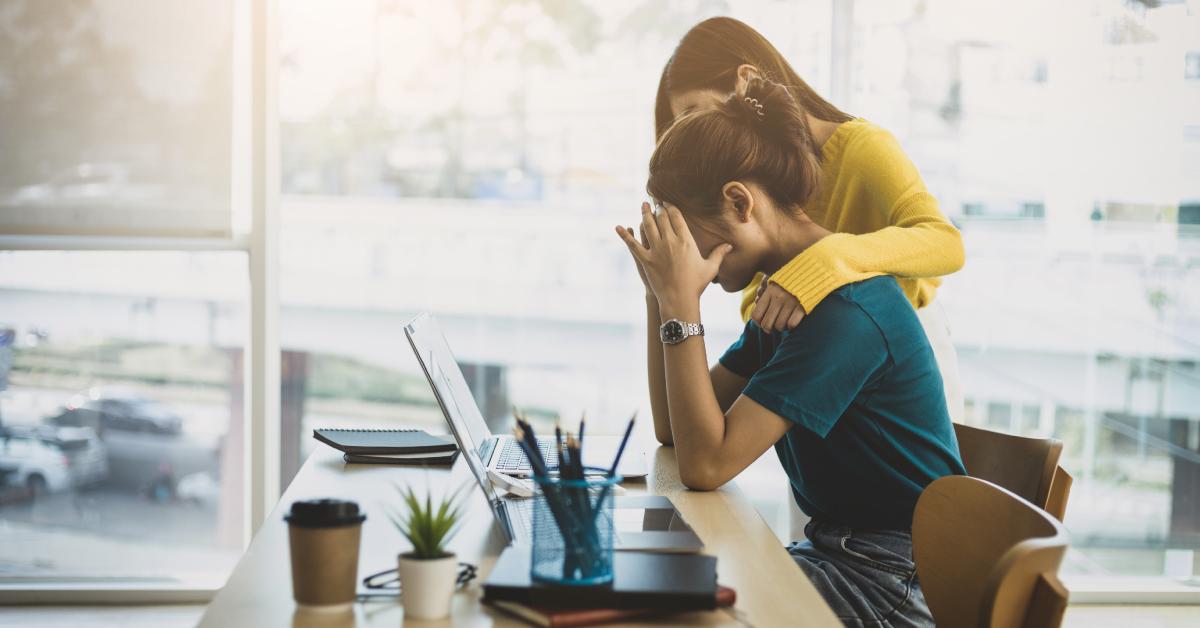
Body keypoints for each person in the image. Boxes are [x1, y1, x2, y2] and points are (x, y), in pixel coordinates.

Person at [614, 76, 966, 628]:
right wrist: (661, 298)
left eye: (687, 233)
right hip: (838, 554)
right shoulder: (788, 293)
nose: (684, 252)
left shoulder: (842, 311)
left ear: (738, 202)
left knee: (678, 613)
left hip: (893, 581)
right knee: (656, 587)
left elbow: (705, 464)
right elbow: (674, 430)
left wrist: (682, 303)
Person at [654, 17, 965, 422]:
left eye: (694, 114)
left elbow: (945, 242)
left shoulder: (861, 149)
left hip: (896, 371)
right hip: (815, 363)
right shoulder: (757, 195)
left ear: (745, 81)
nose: (695, 139)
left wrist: (824, 260)